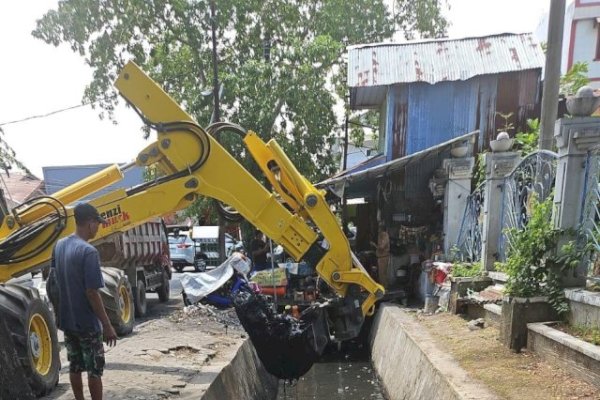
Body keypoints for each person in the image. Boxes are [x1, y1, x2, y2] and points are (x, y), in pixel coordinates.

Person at [49, 202, 118, 400]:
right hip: (88, 324)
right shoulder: (88, 252)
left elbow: (52, 284)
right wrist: (107, 325)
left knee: (75, 365)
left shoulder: (60, 245)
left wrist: (59, 314)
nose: (98, 227)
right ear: (90, 223)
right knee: (94, 370)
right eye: (98, 223)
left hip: (68, 322)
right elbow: (92, 292)